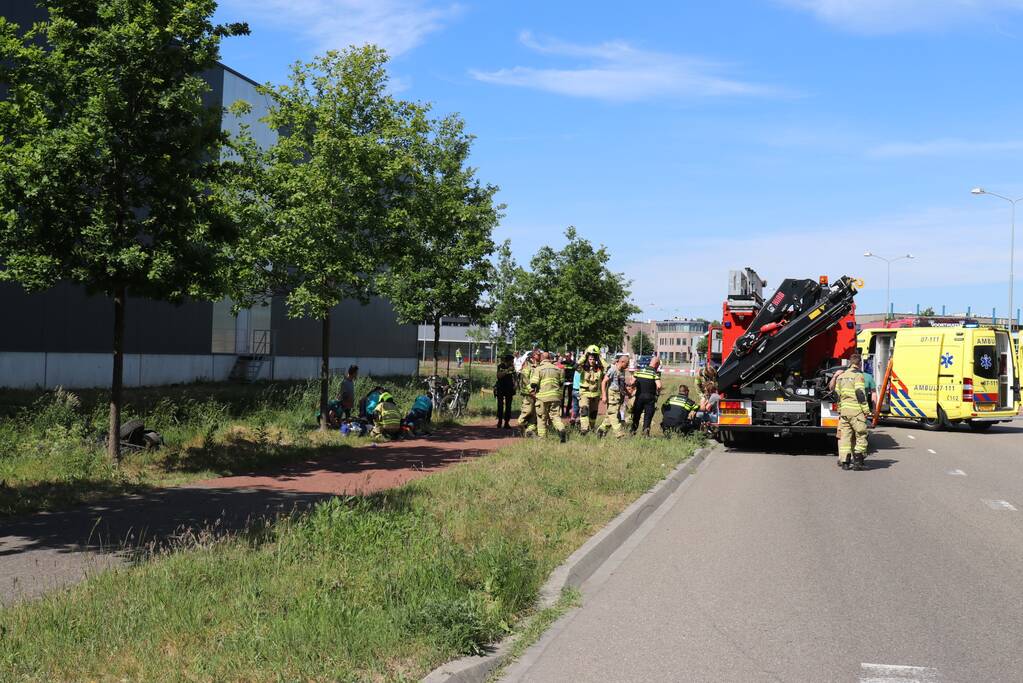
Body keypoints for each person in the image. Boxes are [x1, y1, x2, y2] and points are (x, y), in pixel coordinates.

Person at [829, 353, 870, 470]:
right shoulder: (858, 375)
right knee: (861, 435)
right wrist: (866, 410)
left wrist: (840, 409)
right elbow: (860, 393)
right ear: (859, 363)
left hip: (844, 413)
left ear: (850, 363)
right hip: (856, 412)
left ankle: (845, 462)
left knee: (845, 437)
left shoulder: (841, 376)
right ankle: (858, 462)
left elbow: (837, 395)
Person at [533, 352, 568, 442]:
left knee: (542, 417)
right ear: (550, 358)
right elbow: (561, 382)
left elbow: (533, 384)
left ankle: (542, 438)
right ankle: (561, 429)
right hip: (555, 397)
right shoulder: (558, 369)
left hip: (542, 397)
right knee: (555, 416)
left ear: (542, 358)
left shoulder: (538, 369)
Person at [597, 353, 630, 439]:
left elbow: (622, 384)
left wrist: (627, 393)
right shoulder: (612, 370)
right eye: (627, 364)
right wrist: (604, 396)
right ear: (622, 362)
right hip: (612, 397)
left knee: (609, 417)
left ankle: (601, 430)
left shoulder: (623, 371)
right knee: (613, 415)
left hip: (619, 397)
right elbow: (604, 382)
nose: (628, 366)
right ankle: (619, 434)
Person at [631, 356, 663, 437]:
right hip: (650, 398)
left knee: (636, 415)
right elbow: (659, 386)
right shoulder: (654, 373)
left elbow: (632, 382)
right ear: (656, 364)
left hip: (639, 397)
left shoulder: (639, 371)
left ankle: (633, 431)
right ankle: (645, 432)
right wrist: (657, 394)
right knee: (648, 416)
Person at [577, 345, 605, 435]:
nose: (592, 361)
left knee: (593, 414)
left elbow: (608, 368)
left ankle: (592, 428)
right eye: (590, 359)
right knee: (584, 410)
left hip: (595, 395)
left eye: (593, 359)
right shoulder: (583, 367)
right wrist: (585, 355)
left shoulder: (599, 368)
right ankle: (584, 429)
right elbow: (575, 366)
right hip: (584, 393)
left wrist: (600, 357)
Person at [516, 349, 540, 436]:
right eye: (538, 354)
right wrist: (531, 391)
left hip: (537, 394)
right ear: (533, 356)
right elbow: (525, 380)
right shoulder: (527, 366)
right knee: (527, 411)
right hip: (528, 394)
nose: (540, 355)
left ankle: (530, 431)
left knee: (534, 414)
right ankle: (520, 426)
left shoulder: (539, 366)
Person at [494, 352, 516, 429]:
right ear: (508, 361)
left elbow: (514, 377)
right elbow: (499, 376)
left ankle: (506, 422)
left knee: (508, 406)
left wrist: (515, 385)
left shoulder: (512, 367)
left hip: (509, 388)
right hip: (501, 387)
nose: (512, 362)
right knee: (500, 405)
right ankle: (499, 421)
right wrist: (507, 370)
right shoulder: (501, 366)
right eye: (511, 361)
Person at [560, 351, 576, 417]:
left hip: (571, 381)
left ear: (570, 356)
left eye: (568, 356)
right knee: (562, 397)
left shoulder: (573, 363)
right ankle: (562, 411)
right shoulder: (562, 363)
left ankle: (567, 411)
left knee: (570, 397)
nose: (567, 357)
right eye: (566, 356)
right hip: (563, 381)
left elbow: (575, 369)